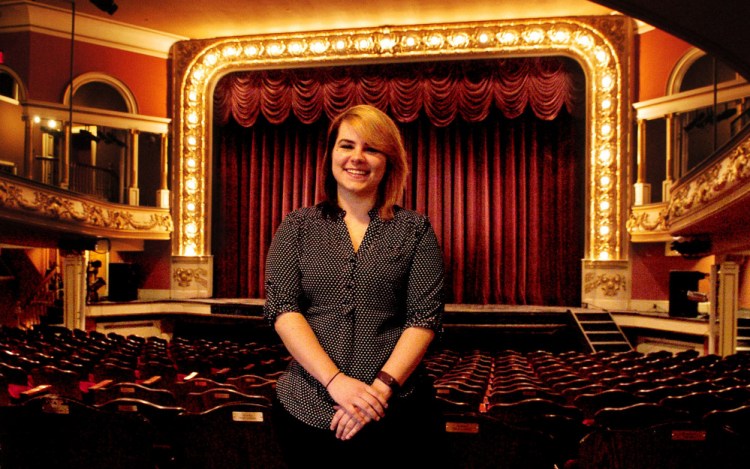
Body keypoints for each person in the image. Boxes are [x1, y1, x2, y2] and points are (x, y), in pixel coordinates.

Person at [264, 104, 446, 468]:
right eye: (347, 146)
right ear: (331, 154)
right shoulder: (296, 227)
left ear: (389, 161)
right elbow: (283, 309)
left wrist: (376, 393)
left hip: (396, 412)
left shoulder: (416, 230)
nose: (357, 158)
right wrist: (336, 383)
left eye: (372, 148)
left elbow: (423, 321)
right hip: (306, 408)